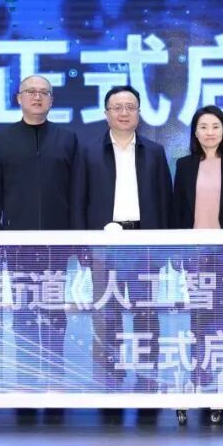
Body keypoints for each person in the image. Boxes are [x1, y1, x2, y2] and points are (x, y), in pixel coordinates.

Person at [0, 74, 79, 389]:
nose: (37, 97)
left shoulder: (67, 139)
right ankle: (25, 382)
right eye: (31, 92)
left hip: (57, 244)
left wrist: (78, 238)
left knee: (54, 311)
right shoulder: (2, 139)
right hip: (18, 244)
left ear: (52, 100)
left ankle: (54, 379)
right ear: (19, 98)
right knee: (23, 312)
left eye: (44, 93)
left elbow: (76, 191)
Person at [72, 85, 172, 391]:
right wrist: (83, 247)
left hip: (144, 245)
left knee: (146, 314)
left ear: (139, 113)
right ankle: (109, 379)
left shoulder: (154, 152)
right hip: (104, 247)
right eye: (117, 107)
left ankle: (148, 378)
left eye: (130, 107)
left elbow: (165, 201)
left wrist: (164, 249)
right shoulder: (88, 151)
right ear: (106, 114)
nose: (124, 113)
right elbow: (78, 201)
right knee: (106, 315)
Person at [172, 105, 223, 388]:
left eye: (215, 126)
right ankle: (199, 370)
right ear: (195, 132)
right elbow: (178, 208)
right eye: (204, 127)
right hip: (194, 249)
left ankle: (221, 372)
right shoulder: (184, 165)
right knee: (199, 312)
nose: (210, 132)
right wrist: (176, 248)